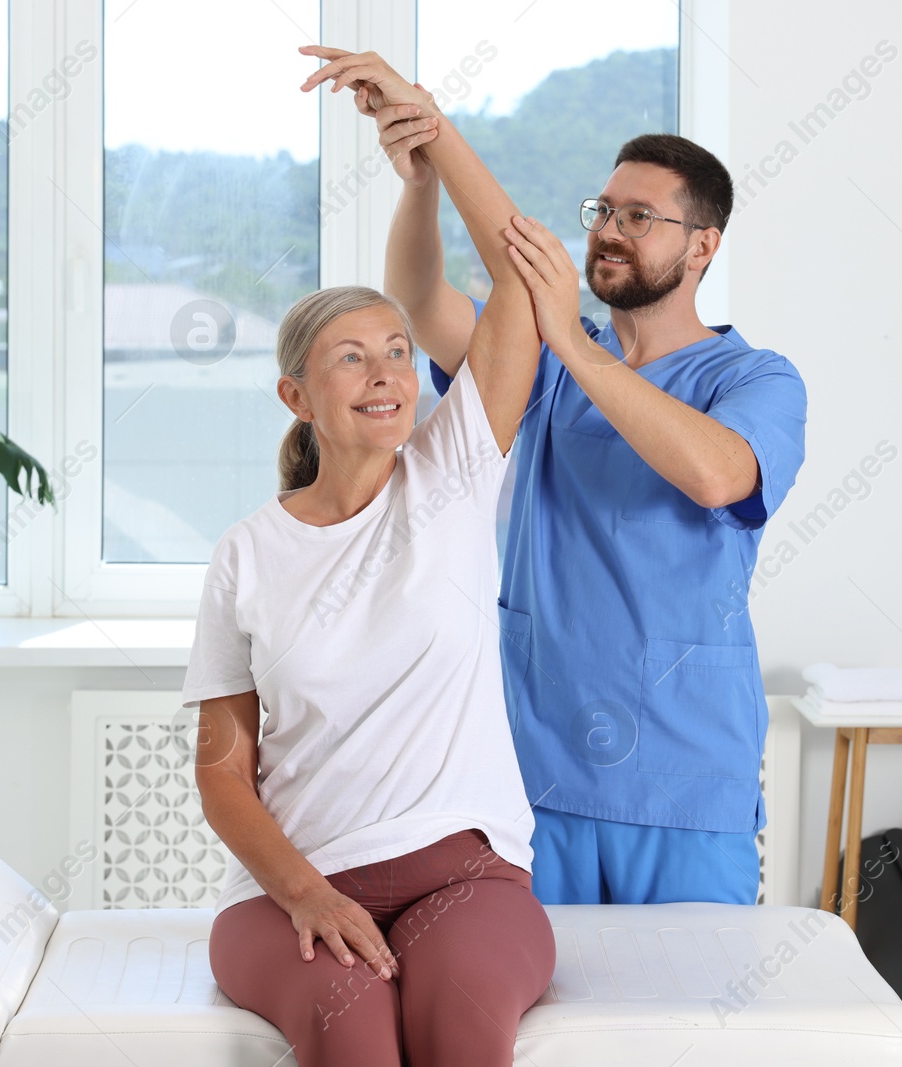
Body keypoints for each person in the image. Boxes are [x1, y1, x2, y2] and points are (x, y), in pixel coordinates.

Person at [179, 53, 583, 1065]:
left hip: (466, 877)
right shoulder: (246, 554)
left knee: (458, 1028)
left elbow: (521, 278)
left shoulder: (450, 474)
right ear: (296, 398)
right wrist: (307, 892)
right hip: (292, 887)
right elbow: (225, 772)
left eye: (398, 351)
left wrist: (430, 138)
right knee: (350, 1026)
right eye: (351, 356)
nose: (388, 373)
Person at [331, 49, 808, 907]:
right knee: (544, 1031)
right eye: (603, 210)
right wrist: (424, 172)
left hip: (684, 786)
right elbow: (423, 299)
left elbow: (714, 473)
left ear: (703, 245)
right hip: (534, 777)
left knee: (686, 1033)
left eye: (641, 216)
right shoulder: (551, 364)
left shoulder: (756, 380)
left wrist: (573, 340)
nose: (610, 230)